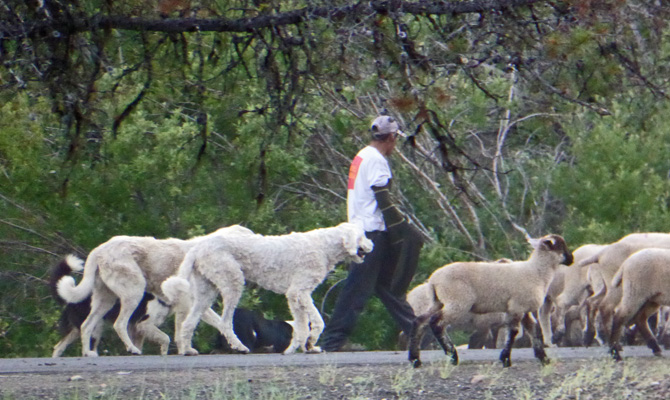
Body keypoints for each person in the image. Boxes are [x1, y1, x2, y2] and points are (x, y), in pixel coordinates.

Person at [320, 115, 424, 352]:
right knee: (357, 288)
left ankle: (418, 333)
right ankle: (333, 342)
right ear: (389, 137)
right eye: (395, 139)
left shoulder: (362, 155)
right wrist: (403, 229)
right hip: (371, 233)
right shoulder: (377, 160)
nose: (395, 144)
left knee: (387, 287)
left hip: (361, 228)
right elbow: (383, 198)